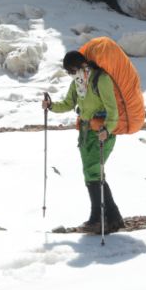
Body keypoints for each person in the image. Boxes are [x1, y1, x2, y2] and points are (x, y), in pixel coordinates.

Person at [42, 50, 126, 233]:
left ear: (81, 65)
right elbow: (68, 103)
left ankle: (98, 218)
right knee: (93, 173)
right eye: (69, 72)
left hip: (103, 133)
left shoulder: (101, 80)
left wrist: (108, 129)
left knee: (93, 172)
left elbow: (113, 111)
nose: (71, 74)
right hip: (86, 133)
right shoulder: (78, 83)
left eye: (72, 70)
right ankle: (113, 218)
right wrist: (51, 106)